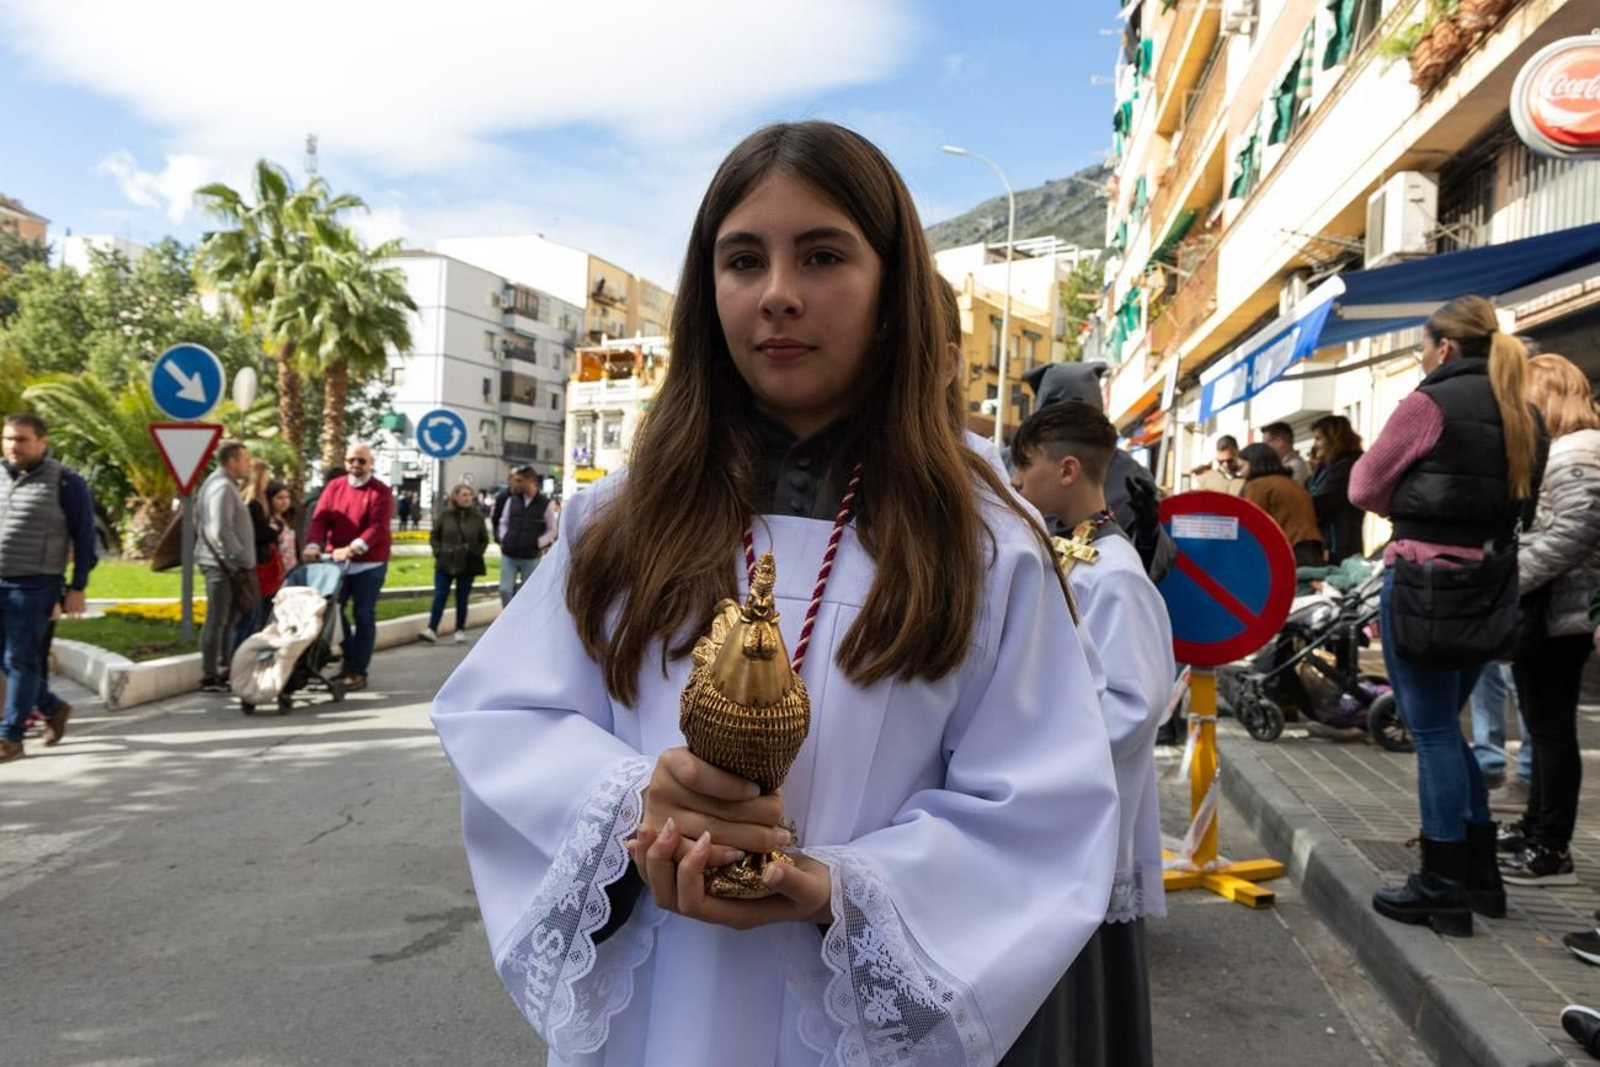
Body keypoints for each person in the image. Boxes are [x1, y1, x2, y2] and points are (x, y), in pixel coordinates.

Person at [431, 120, 1120, 1067]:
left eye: (824, 255)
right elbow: (505, 718)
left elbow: (1041, 814)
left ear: (891, 292)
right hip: (656, 1015)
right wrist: (636, 805)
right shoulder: (618, 522)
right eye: (743, 259)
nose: (779, 295)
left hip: (839, 1021)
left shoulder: (985, 545)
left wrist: (839, 886)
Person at [1351, 295, 1545, 937]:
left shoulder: (1428, 403)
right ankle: (1481, 876)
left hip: (1424, 584)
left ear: (1445, 349)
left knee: (1431, 731)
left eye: (1422, 348)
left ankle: (1440, 886)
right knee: (1450, 729)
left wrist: (1408, 499)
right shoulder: (1525, 412)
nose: (1421, 358)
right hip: (1489, 584)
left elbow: (1363, 487)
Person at [1006, 400, 1174, 1066]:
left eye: (1027, 466)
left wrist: (1040, 744)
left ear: (1068, 468)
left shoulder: (1116, 573)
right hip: (1065, 797)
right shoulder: (1076, 554)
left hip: (1085, 802)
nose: (1017, 483)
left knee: (1087, 979)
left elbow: (1135, 702)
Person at [1499, 354, 1600, 887]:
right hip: (1550, 611)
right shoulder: (1562, 452)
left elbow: (1574, 533)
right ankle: (1535, 827)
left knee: (1553, 732)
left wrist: (1511, 579)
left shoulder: (1579, 451)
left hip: (1562, 615)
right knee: (1542, 728)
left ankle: (1551, 847)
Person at [1019, 362, 1176, 582]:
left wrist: (1148, 533)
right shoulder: (1011, 462)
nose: (1016, 480)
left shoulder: (1130, 475)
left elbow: (1142, 570)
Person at [1, 413, 96, 762]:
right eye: (8, 438)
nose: (13, 446)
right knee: (7, 661)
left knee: (21, 659)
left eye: (22, 439)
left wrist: (78, 586)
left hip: (36, 583)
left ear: (43, 442)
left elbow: (84, 537)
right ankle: (52, 708)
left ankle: (10, 738)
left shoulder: (66, 482)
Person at [303, 443, 393, 693]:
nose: (356, 465)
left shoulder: (380, 492)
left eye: (362, 461)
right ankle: (350, 661)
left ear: (371, 464)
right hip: (336, 563)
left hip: (369, 563)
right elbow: (320, 518)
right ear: (345, 462)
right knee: (332, 613)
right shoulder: (335, 487)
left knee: (364, 615)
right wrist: (313, 544)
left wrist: (354, 547)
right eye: (352, 460)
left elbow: (377, 527)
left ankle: (358, 670)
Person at [195, 440, 256, 694]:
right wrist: (240, 557)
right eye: (245, 460)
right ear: (231, 461)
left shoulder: (222, 484)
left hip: (225, 564)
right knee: (218, 620)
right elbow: (220, 529)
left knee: (227, 620)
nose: (249, 464)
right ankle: (210, 675)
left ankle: (223, 669)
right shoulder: (221, 487)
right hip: (222, 565)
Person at [421, 482, 489, 646]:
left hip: (467, 563)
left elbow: (484, 539)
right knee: (440, 595)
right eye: (464, 495)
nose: (467, 498)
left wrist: (476, 552)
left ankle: (460, 629)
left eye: (469, 495)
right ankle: (432, 629)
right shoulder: (445, 515)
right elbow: (434, 535)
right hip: (445, 561)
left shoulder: (477, 517)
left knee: (462, 598)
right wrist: (438, 552)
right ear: (455, 496)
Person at [1237, 442, 1324, 567]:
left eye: (1242, 467)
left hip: (1289, 551)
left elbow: (1252, 524)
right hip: (1312, 547)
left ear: (1254, 463)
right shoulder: (1291, 483)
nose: (1241, 473)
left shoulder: (1257, 485)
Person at [491, 466, 557, 605]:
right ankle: (507, 619)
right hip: (510, 554)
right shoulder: (512, 500)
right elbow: (503, 522)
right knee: (505, 590)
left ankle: (523, 621)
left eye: (519, 480)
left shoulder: (545, 504)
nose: (514, 483)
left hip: (531, 557)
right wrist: (504, 538)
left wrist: (536, 543)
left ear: (530, 480)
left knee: (528, 593)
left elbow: (552, 530)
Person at [1307, 414, 1366, 563]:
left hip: (1339, 544)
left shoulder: (1346, 466)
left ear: (1334, 439)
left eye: (1318, 439)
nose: (1315, 445)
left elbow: (1322, 503)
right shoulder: (1324, 467)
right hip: (1325, 541)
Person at [234, 458, 274, 649]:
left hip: (256, 561)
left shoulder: (255, 503)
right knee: (252, 613)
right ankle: (241, 654)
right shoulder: (253, 504)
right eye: (266, 478)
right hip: (255, 562)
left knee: (254, 613)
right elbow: (260, 533)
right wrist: (276, 532)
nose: (267, 482)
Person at [257, 480, 296, 610]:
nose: (284, 501)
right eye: (279, 498)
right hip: (274, 573)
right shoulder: (268, 522)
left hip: (291, 571)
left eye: (287, 497)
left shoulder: (287, 520)